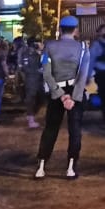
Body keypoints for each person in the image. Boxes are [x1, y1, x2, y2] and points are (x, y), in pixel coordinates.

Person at [36, 16, 91, 179]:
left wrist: (60, 95)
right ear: (75, 30)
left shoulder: (49, 46)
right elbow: (83, 75)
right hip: (75, 91)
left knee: (51, 129)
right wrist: (73, 97)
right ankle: (71, 168)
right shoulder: (83, 47)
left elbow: (46, 73)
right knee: (75, 130)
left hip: (56, 91)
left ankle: (41, 167)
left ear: (60, 30)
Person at [18, 38, 44, 129]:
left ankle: (31, 116)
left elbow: (45, 64)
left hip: (38, 80)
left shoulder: (38, 54)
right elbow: (24, 68)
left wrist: (42, 52)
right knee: (31, 99)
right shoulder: (28, 54)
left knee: (39, 99)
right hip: (32, 80)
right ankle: (30, 119)